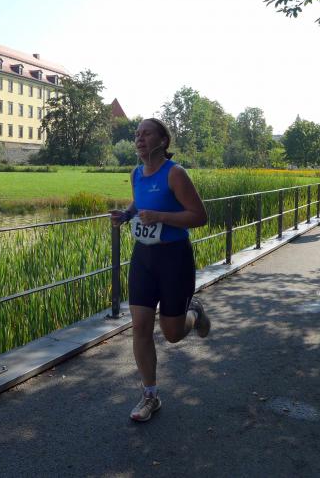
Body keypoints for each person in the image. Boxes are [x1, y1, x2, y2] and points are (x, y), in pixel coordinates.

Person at [110, 117, 210, 422]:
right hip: (143, 258)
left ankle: (194, 313)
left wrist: (160, 217)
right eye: (137, 134)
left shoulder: (175, 173)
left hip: (174, 259)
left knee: (172, 334)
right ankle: (150, 395)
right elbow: (139, 202)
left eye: (146, 134)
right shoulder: (135, 174)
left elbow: (199, 216)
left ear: (163, 141)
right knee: (140, 327)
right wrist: (126, 214)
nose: (139, 139)